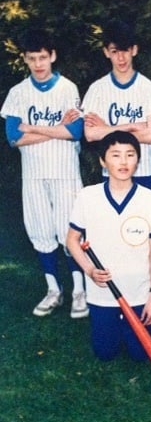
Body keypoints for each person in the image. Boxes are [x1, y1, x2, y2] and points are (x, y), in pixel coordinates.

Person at [0, 28, 87, 319]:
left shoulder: (68, 89)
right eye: (32, 58)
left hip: (64, 171)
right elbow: (13, 136)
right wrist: (55, 130)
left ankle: (79, 291)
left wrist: (32, 127)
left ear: (53, 56)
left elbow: (74, 133)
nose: (38, 64)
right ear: (25, 59)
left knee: (69, 231)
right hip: (34, 173)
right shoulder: (18, 93)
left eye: (43, 57)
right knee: (39, 231)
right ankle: (53, 289)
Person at [66, 131, 151, 362]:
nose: (123, 161)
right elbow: (72, 240)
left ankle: (133, 322)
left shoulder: (149, 199)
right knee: (105, 352)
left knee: (140, 355)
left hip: (138, 292)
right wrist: (90, 270)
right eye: (116, 155)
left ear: (138, 161)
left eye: (130, 155)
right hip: (103, 294)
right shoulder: (88, 197)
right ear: (103, 161)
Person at [82, 19, 151, 192]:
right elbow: (90, 134)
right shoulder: (97, 89)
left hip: (144, 172)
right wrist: (131, 126)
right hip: (111, 173)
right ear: (106, 52)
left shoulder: (148, 88)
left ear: (134, 50)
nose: (121, 57)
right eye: (114, 51)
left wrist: (108, 130)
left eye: (125, 50)